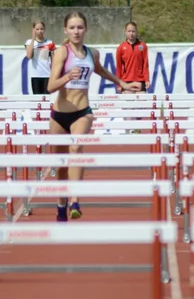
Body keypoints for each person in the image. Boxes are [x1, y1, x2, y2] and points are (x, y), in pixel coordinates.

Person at [46, 11, 125, 221]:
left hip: (83, 112)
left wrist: (120, 82)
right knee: (61, 166)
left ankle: (75, 201)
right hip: (58, 116)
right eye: (72, 28)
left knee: (76, 147)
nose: (76, 31)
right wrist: (66, 77)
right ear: (65, 30)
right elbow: (50, 86)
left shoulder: (93, 53)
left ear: (86, 29)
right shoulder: (62, 53)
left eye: (80, 27)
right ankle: (61, 205)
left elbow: (100, 71)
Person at [114, 21, 150, 93]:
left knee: (142, 103)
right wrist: (118, 84)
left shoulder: (143, 46)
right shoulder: (121, 47)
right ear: (125, 32)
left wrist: (147, 80)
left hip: (140, 81)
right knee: (128, 103)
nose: (131, 33)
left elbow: (145, 65)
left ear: (136, 32)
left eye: (133, 31)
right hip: (126, 82)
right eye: (129, 31)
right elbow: (119, 68)